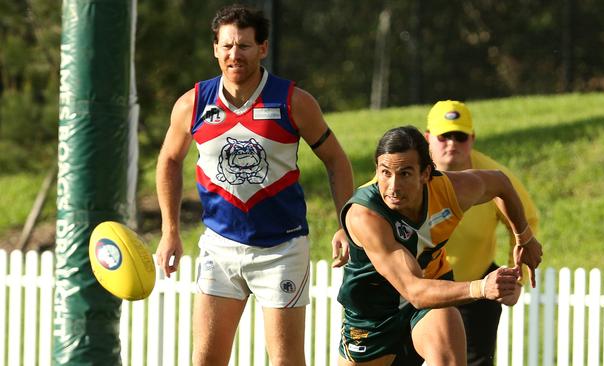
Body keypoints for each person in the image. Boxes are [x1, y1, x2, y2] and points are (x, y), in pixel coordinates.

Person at [154, 5, 353, 366]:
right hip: (219, 246)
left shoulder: (294, 101)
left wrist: (345, 224)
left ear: (263, 48)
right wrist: (170, 230)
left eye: (244, 46)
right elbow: (168, 160)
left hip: (281, 249)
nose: (235, 55)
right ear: (215, 48)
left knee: (285, 361)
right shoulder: (192, 103)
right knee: (206, 360)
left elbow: (336, 159)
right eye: (227, 46)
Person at [337, 126, 542, 366]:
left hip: (430, 299)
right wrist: (481, 288)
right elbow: (414, 291)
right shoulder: (365, 216)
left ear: (426, 173)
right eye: (385, 173)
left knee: (448, 354)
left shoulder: (449, 190)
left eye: (405, 174)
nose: (393, 187)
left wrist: (524, 237)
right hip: (373, 317)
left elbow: (500, 183)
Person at [425, 100, 540, 366]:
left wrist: (517, 275)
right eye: (444, 136)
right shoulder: (410, 173)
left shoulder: (492, 177)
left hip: (476, 289)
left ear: (472, 139)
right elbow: (372, 198)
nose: (452, 143)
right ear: (428, 138)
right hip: (422, 289)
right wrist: (344, 225)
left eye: (460, 136)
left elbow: (527, 220)